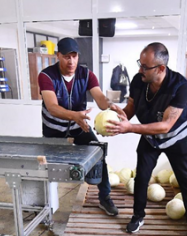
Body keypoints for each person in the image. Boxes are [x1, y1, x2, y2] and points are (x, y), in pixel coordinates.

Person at [104, 42, 187, 236]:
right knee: (141, 178)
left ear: (161, 68)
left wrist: (129, 128)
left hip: (177, 139)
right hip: (149, 137)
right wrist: (120, 117)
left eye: (145, 67)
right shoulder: (139, 81)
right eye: (140, 64)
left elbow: (166, 125)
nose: (140, 70)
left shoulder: (180, 86)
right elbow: (131, 108)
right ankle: (138, 216)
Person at [38, 37, 123, 216]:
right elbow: (52, 107)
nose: (71, 61)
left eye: (74, 56)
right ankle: (45, 204)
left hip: (79, 128)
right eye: (67, 57)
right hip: (53, 130)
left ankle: (105, 197)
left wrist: (111, 105)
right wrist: (75, 116)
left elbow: (100, 98)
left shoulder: (86, 74)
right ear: (58, 56)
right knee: (46, 168)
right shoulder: (46, 76)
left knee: (98, 153)